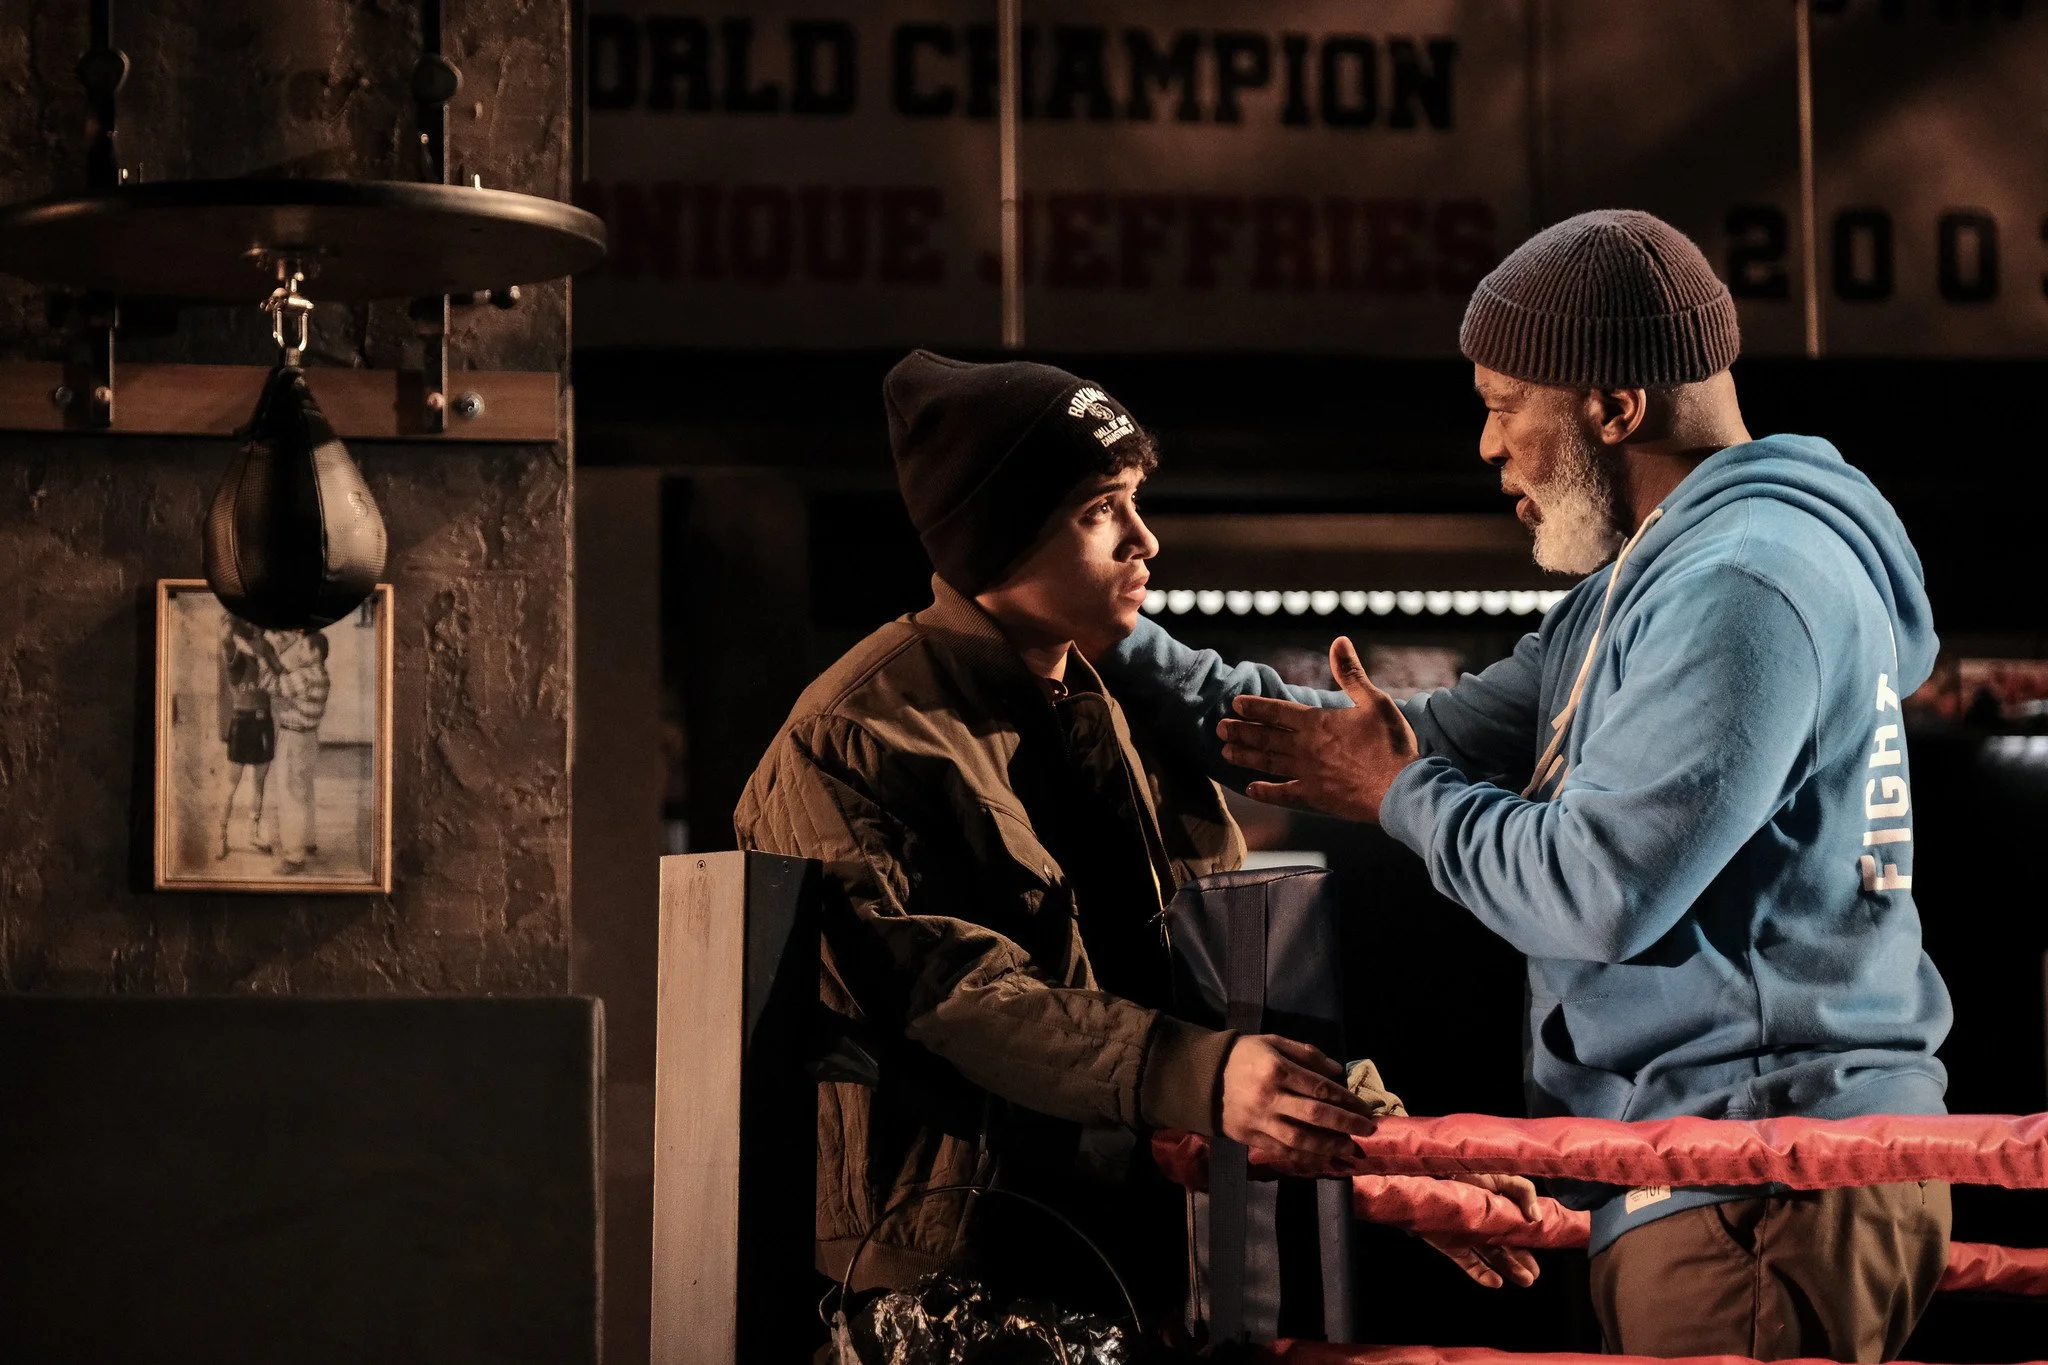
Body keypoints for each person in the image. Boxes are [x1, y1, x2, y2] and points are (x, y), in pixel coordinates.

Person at [1098, 211, 1953, 1362]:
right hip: (1723, 1169)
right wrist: (1109, 632)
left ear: (1613, 406)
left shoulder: (1742, 582)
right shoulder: (1639, 590)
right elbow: (1387, 741)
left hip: (1758, 1169)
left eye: (1504, 405)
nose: (1487, 445)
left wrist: (1400, 792)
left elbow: (1597, 892)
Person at [735, 352, 1536, 1334]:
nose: (1144, 539)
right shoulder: (857, 732)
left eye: (1135, 502)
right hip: (944, 1281)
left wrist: (1398, 1148)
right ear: (1002, 534)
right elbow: (952, 993)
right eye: (1099, 510)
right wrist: (1203, 1076)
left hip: (1144, 1259)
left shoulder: (1127, 715)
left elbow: (1227, 982)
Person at [266, 628, 331, 874]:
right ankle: (309, 841)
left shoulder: (304, 676)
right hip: (309, 738)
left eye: (304, 648)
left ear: (316, 653)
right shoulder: (321, 674)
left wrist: (265, 656)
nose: (299, 652)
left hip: (293, 739)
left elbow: (273, 686)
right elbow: (290, 681)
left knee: (290, 795)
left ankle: (294, 856)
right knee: (305, 791)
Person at [216, 616, 278, 859]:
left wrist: (264, 653)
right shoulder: (235, 647)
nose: (256, 626)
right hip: (242, 722)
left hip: (264, 722)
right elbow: (225, 635)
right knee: (231, 783)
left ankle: (253, 832)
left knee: (259, 782)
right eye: (251, 620)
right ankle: (221, 836)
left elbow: (281, 671)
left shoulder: (266, 647)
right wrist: (235, 617)